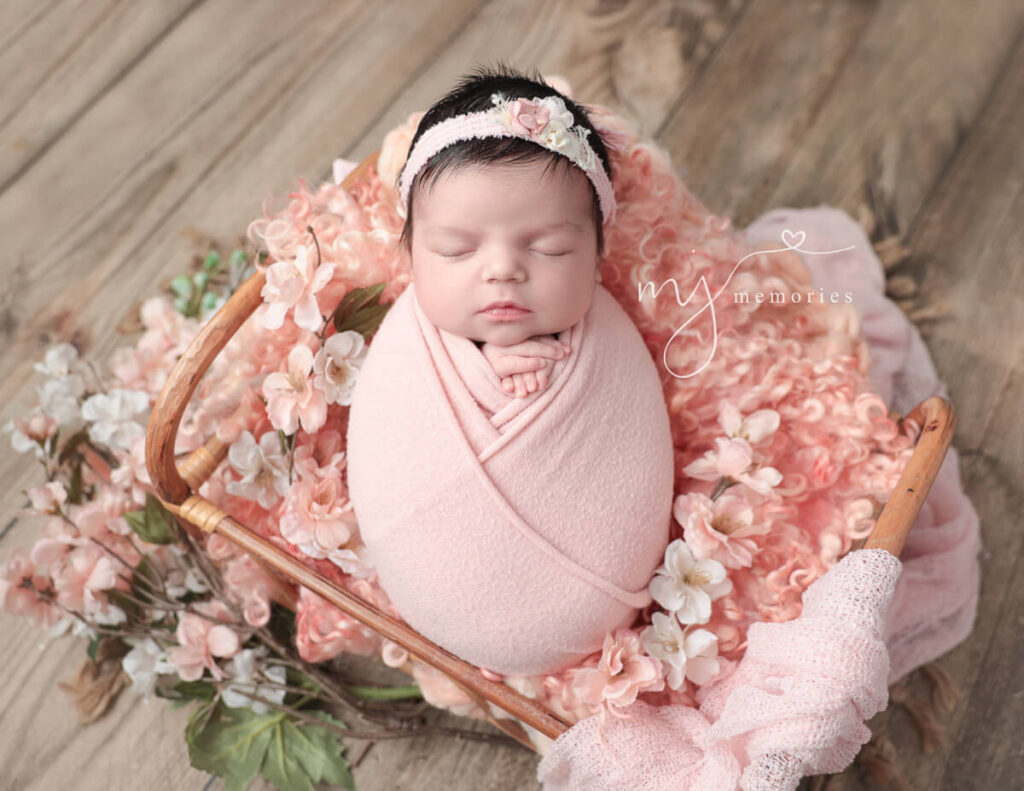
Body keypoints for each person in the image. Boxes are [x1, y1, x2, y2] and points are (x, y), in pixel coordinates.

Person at [395, 63, 615, 399]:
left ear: (599, 255)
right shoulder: (403, 343)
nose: (503, 270)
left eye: (550, 248)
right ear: (410, 257)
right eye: (455, 249)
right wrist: (474, 369)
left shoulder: (613, 336)